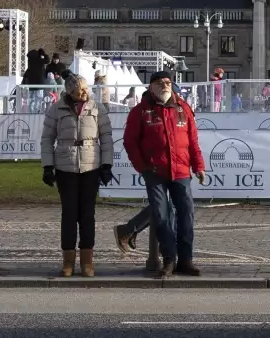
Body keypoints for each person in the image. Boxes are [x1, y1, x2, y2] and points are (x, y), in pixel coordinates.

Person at [123, 71, 206, 278]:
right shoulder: (140, 111)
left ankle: (186, 259)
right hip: (154, 172)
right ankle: (169, 258)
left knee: (186, 214)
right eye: (160, 83)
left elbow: (193, 142)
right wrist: (142, 166)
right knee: (161, 215)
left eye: (168, 82)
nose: (165, 86)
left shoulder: (183, 108)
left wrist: (199, 167)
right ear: (151, 87)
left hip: (181, 171)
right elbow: (130, 142)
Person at [40, 74, 114, 277]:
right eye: (79, 91)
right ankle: (68, 260)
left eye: (85, 89)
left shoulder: (97, 108)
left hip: (91, 166)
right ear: (70, 92)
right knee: (69, 214)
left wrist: (107, 164)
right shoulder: (56, 109)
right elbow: (47, 139)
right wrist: (47, 167)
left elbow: (106, 137)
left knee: (87, 215)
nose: (84, 94)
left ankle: (87, 260)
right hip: (66, 166)